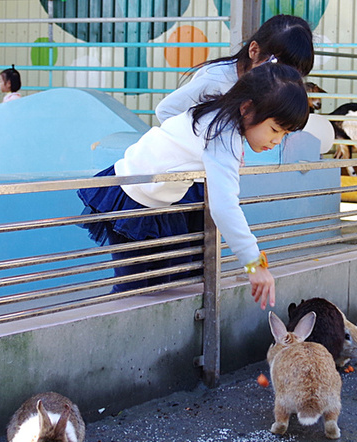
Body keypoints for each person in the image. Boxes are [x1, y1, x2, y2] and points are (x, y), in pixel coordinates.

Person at [79, 62, 310, 309]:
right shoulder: (223, 135)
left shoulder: (218, 113)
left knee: (167, 282)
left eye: (284, 134)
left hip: (160, 199)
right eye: (275, 129)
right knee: (133, 288)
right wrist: (254, 264)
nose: (277, 140)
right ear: (247, 108)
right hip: (131, 198)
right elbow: (225, 207)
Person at [155, 15, 314, 122]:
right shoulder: (217, 80)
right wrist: (204, 150)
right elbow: (166, 110)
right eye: (276, 68)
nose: (281, 80)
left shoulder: (268, 88)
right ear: (254, 51)